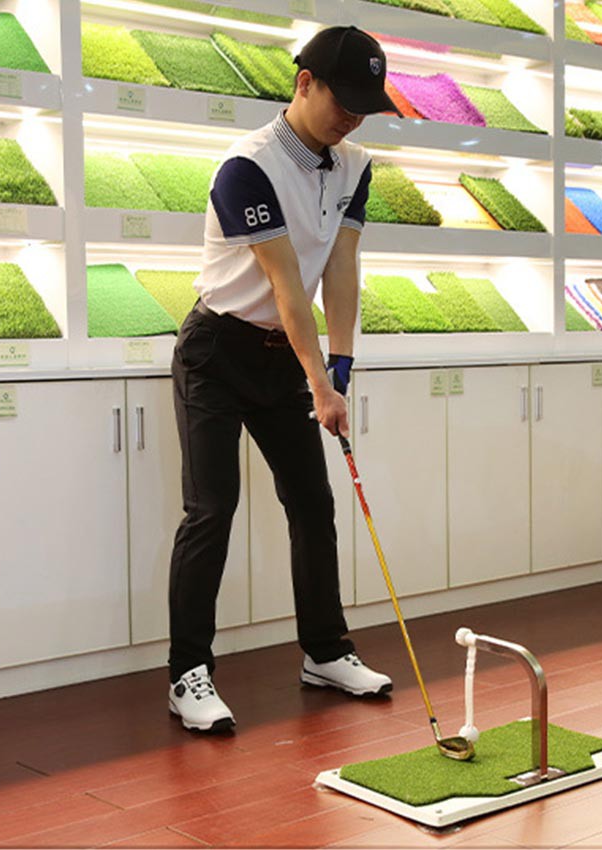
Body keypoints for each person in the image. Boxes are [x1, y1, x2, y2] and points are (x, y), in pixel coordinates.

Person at [168, 25, 403, 733]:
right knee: (212, 509)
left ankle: (325, 652)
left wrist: (342, 364)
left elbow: (341, 267)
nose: (352, 118)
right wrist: (320, 384)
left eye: (364, 106)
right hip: (217, 350)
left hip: (283, 357)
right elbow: (286, 284)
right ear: (305, 83)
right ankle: (187, 673)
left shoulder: (356, 165)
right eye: (343, 101)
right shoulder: (247, 167)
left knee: (312, 504)